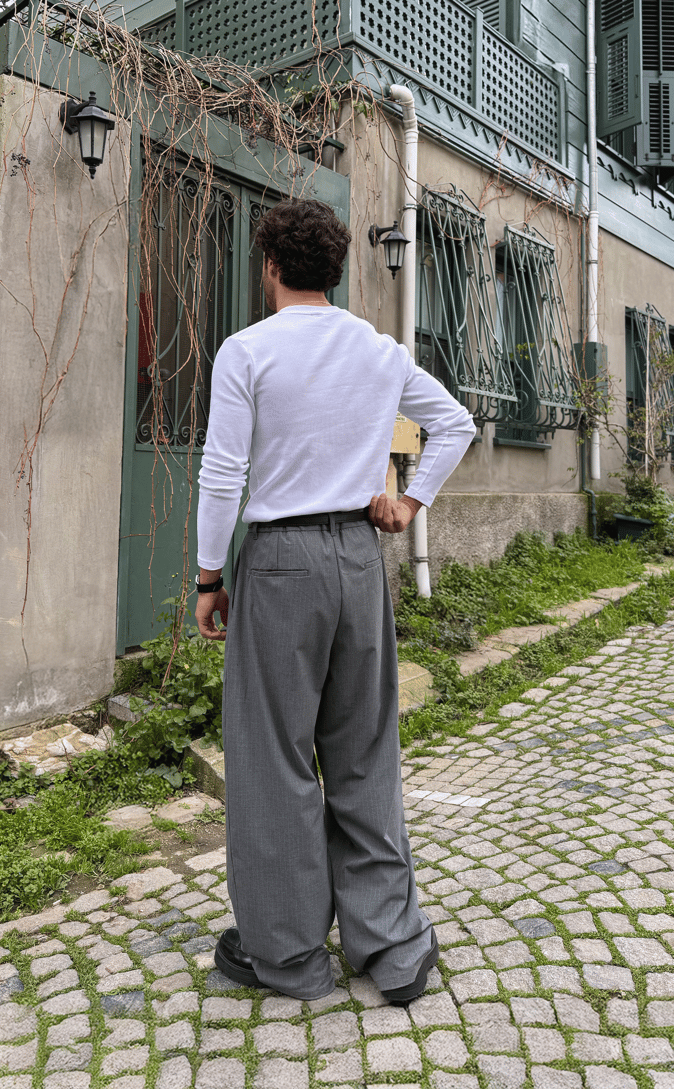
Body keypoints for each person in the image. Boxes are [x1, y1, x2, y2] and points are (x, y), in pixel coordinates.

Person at [195, 198, 476, 1005]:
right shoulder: (378, 350)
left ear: (271, 267)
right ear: (337, 271)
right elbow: (455, 424)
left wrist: (210, 579)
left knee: (273, 755)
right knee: (364, 749)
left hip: (280, 562)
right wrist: (409, 502)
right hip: (358, 558)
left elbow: (223, 473)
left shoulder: (248, 351)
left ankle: (288, 954)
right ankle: (392, 947)